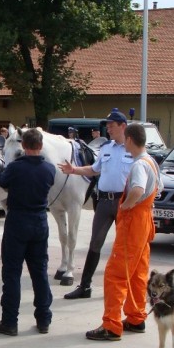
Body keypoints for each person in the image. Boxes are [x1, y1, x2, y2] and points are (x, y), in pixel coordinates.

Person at [85, 123, 162, 340]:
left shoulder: (139, 165)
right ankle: (136, 318)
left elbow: (137, 189)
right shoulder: (151, 162)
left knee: (115, 275)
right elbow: (157, 189)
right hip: (144, 223)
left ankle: (111, 325)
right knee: (137, 273)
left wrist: (125, 207)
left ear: (129, 139)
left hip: (134, 223)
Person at [58, 110, 132, 299]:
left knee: (125, 246)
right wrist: (73, 170)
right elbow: (94, 169)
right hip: (105, 202)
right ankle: (85, 286)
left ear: (123, 126)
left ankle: (128, 286)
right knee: (95, 243)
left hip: (126, 202)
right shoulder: (106, 148)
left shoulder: (134, 149)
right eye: (107, 125)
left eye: (111, 125)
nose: (108, 128)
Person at [0, 128, 55, 336]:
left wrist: (2, 166)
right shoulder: (49, 169)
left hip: (18, 221)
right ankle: (43, 319)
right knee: (39, 272)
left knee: (11, 273)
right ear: (41, 145)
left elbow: (3, 181)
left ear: (23, 146)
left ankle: (9, 321)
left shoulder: (16, 168)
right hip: (39, 222)